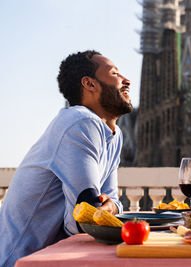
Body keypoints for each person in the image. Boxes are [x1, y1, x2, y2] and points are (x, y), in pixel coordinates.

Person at [0, 50, 133, 266]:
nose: (126, 80)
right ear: (90, 84)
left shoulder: (113, 135)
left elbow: (112, 201)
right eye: (115, 73)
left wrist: (111, 207)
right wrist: (105, 209)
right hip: (21, 260)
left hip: (57, 256)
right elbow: (83, 220)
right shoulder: (80, 123)